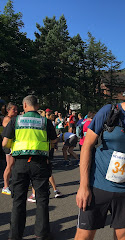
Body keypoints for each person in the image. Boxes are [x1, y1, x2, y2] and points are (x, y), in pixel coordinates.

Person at [75, 75, 125, 240]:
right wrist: (83, 186)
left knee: (123, 237)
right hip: (97, 187)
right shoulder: (109, 111)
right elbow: (87, 146)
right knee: (84, 236)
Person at [2, 95, 58, 240]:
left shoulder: (15, 120)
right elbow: (53, 140)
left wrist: (12, 148)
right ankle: (42, 234)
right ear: (37, 106)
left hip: (20, 163)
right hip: (40, 163)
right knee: (42, 199)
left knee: (18, 200)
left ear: (25, 106)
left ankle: (15, 235)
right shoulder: (45, 121)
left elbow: (5, 143)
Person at [1, 103, 18, 195]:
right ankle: (5, 186)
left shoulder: (13, 119)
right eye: (13, 109)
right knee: (10, 165)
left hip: (13, 145)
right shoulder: (7, 119)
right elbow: (10, 131)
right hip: (8, 145)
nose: (16, 111)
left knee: (15, 165)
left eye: (16, 109)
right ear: (8, 110)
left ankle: (16, 183)